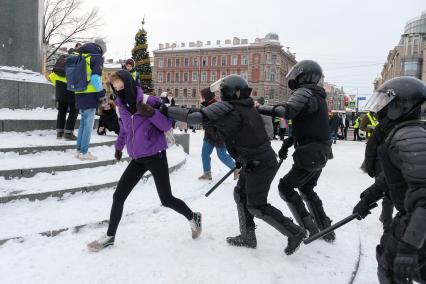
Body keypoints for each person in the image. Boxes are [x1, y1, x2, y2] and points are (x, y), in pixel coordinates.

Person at [166, 75, 306, 255]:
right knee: (240, 194)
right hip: (254, 160)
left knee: (257, 205)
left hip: (260, 163)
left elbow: (195, 117)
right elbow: (243, 135)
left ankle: (294, 232)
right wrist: (240, 157)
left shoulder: (233, 108)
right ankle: (247, 236)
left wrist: (165, 109)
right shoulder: (245, 107)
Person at [87, 70, 202, 252]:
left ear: (129, 84)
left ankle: (193, 217)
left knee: (166, 199)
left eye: (121, 86)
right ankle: (110, 237)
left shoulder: (150, 101)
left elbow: (166, 125)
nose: (119, 90)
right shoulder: (120, 105)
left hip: (155, 155)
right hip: (137, 158)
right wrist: (118, 147)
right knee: (118, 196)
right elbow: (124, 130)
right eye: (115, 87)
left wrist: (150, 113)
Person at [351, 76, 426, 284]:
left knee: (391, 269)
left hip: (417, 225)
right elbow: (391, 179)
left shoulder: (408, 137)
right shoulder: (403, 133)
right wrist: (367, 198)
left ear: (401, 105)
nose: (379, 109)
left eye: (385, 102)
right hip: (412, 220)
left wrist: (410, 246)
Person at [275, 60, 335, 242]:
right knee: (307, 188)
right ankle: (325, 228)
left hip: (311, 153)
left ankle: (309, 228)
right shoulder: (317, 96)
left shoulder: (305, 93)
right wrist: (287, 143)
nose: (293, 78)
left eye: (296, 75)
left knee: (285, 187)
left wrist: (258, 108)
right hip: (319, 152)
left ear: (304, 76)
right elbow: (309, 127)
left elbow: (288, 111)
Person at [74, 39, 107, 160]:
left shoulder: (82, 54)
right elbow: (94, 78)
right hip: (90, 94)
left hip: (79, 92)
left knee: (83, 123)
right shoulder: (97, 58)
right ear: (101, 49)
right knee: (88, 125)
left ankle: (78, 150)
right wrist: (102, 93)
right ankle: (84, 152)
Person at [198, 88, 237, 181]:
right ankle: (207, 173)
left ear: (205, 97)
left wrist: (215, 133)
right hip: (210, 135)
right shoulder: (207, 105)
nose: (200, 98)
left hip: (218, 135)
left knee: (221, 155)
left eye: (201, 96)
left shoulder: (214, 106)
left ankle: (237, 169)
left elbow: (217, 122)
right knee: (205, 153)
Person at [49, 53, 78, 141]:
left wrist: (58, 85)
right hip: (71, 89)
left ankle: (59, 132)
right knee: (74, 110)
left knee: (62, 110)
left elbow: (51, 76)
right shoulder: (76, 60)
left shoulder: (62, 60)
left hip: (60, 89)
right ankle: (68, 132)